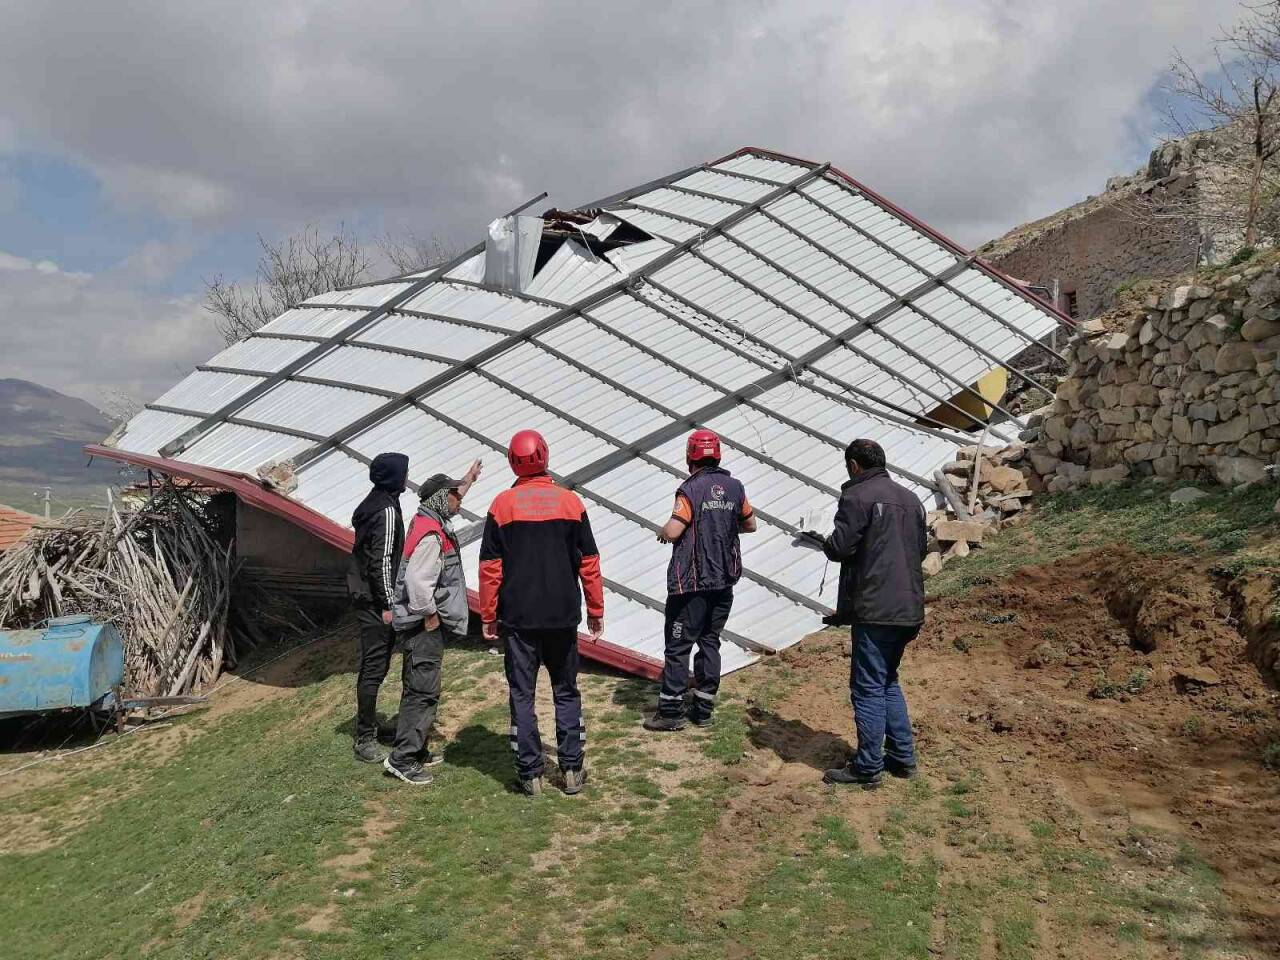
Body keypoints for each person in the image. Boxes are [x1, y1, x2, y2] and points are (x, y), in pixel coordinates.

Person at [478, 430, 604, 797]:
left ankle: (530, 774)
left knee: (522, 694)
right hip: (563, 616)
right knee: (566, 691)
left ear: (512, 461)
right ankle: (571, 770)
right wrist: (595, 607)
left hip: (519, 620)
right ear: (545, 456)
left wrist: (488, 614)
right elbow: (590, 563)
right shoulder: (571, 503)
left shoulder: (501, 506)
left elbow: (490, 568)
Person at [815, 439, 927, 789]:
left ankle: (867, 767)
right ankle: (902, 758)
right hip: (908, 607)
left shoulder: (858, 497)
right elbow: (918, 549)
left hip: (876, 609)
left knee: (866, 688)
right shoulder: (912, 500)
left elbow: (840, 547)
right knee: (887, 680)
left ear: (853, 465)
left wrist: (822, 539)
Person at [644, 429, 756, 732]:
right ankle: (703, 709)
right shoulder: (735, 488)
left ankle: (670, 712)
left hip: (691, 585)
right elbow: (750, 524)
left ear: (690, 456)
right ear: (717, 454)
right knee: (710, 641)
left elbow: (673, 530)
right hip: (724, 582)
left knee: (679, 646)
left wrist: (661, 532)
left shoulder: (689, 490)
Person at [383, 461, 482, 786]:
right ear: (441, 498)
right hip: (422, 627)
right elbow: (417, 581)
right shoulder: (430, 535)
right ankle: (403, 758)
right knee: (422, 691)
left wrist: (468, 480)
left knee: (419, 686)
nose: (459, 499)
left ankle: (416, 748)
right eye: (454, 494)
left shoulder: (427, 518)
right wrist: (430, 615)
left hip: (418, 625)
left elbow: (450, 497)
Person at [347, 451, 410, 763]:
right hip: (375, 603)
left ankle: (369, 725)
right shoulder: (385, 510)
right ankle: (365, 737)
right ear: (394, 477)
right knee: (374, 667)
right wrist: (388, 604)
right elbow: (381, 562)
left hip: (367, 598)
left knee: (377, 666)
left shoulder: (375, 501)